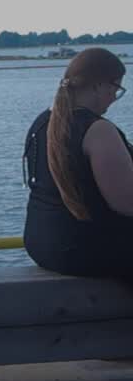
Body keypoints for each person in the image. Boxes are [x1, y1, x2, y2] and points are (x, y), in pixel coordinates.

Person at [23, 48, 133, 279]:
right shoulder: (98, 130)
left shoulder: (42, 123)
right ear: (98, 86)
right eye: (116, 88)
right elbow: (126, 203)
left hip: (42, 244)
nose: (115, 97)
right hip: (86, 248)